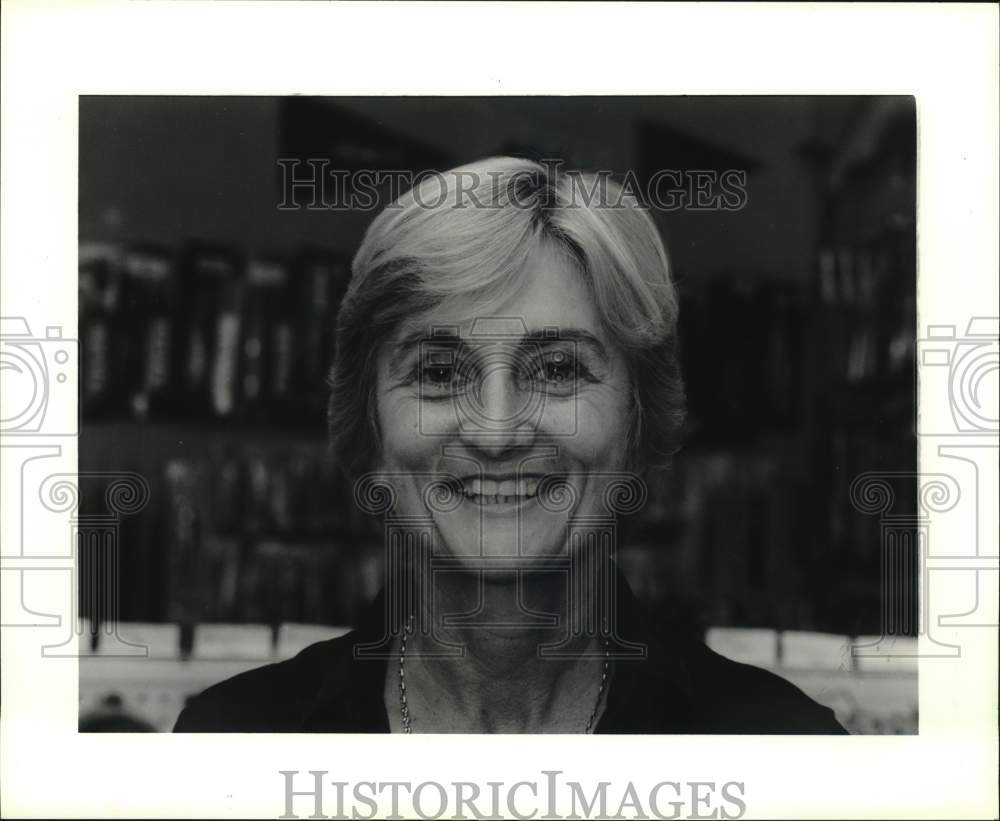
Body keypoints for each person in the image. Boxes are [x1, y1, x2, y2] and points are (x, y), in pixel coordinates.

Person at [174, 157, 846, 734]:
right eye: (440, 372)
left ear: (640, 418)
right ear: (369, 424)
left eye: (557, 369)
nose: (496, 431)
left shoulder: (787, 752)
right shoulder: (232, 744)